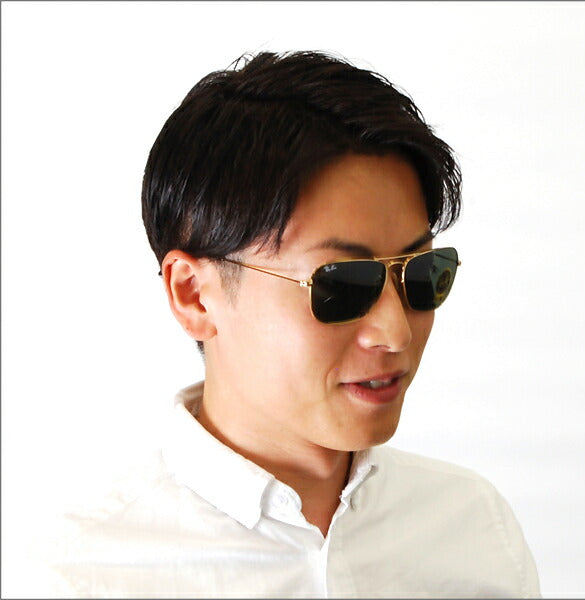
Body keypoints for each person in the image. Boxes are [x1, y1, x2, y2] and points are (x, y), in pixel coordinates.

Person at [52, 51, 540, 598]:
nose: (395, 333)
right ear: (194, 295)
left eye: (422, 274)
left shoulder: (475, 530)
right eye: (341, 285)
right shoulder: (80, 576)